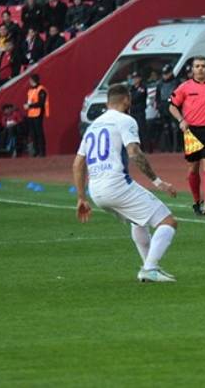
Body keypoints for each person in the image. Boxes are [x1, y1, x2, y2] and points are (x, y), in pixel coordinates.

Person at [73, 83, 179, 283]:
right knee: (168, 222)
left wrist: (81, 197)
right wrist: (158, 181)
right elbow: (134, 152)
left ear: (107, 102)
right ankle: (150, 268)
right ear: (127, 100)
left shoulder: (93, 126)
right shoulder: (125, 120)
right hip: (116, 185)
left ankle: (149, 268)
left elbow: (78, 164)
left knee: (137, 219)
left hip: (95, 191)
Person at [168, 56, 205, 216]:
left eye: (203, 66)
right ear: (192, 70)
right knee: (193, 168)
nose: (200, 69)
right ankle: (196, 201)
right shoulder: (184, 87)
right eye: (197, 66)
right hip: (191, 132)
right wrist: (181, 120)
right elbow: (172, 106)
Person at [155, 64, 182, 153]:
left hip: (174, 107)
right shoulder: (160, 84)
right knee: (166, 128)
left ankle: (178, 147)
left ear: (171, 73)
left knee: (176, 128)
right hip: (163, 108)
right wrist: (159, 105)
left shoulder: (177, 82)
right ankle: (169, 148)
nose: (165, 76)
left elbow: (180, 95)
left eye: (166, 74)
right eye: (164, 74)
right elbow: (157, 96)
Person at [24, 74, 49, 157]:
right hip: (30, 114)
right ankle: (36, 151)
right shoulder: (30, 90)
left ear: (33, 80)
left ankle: (42, 151)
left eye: (30, 80)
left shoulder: (41, 90)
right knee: (33, 133)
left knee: (39, 132)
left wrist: (30, 106)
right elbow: (29, 100)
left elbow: (41, 103)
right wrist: (27, 105)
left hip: (38, 113)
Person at [128, 71, 149, 149]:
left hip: (140, 111)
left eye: (136, 78)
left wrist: (131, 98)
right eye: (133, 78)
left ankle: (146, 147)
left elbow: (136, 98)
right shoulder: (131, 88)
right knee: (134, 130)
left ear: (140, 78)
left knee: (142, 130)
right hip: (133, 111)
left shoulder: (142, 87)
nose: (134, 80)